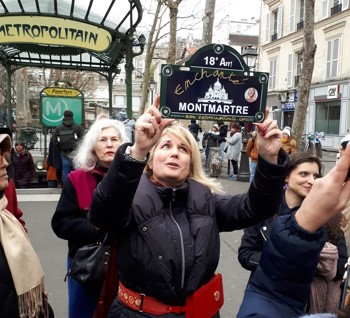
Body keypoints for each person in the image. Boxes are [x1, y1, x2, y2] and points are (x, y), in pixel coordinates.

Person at [88, 96, 289, 317]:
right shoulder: (129, 196)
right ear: (152, 158)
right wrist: (137, 150)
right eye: (166, 146)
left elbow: (258, 206)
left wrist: (269, 159)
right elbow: (102, 215)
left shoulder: (205, 199)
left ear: (190, 162)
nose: (175, 152)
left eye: (183, 149)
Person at [237, 151, 349, 317]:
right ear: (287, 177)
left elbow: (342, 263)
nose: (311, 180)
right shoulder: (265, 211)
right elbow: (246, 254)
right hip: (268, 296)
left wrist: (318, 263)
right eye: (304, 174)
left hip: (312, 302)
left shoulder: (326, 216)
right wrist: (283, 260)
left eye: (316, 175)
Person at [51, 118, 128, 318]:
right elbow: (61, 223)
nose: (109, 144)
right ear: (93, 147)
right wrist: (96, 229)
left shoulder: (134, 178)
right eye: (103, 140)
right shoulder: (77, 179)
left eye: (114, 139)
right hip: (87, 266)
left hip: (125, 265)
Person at [0, 133, 53, 317]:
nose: (5, 163)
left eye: (3, 154)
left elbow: (17, 216)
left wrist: (20, 235)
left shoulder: (6, 191)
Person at [54, 110, 84, 184]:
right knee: (76, 169)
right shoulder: (77, 126)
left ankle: (66, 187)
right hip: (75, 152)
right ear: (72, 116)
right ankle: (76, 186)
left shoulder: (59, 127)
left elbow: (55, 140)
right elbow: (83, 139)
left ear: (64, 116)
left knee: (65, 170)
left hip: (63, 152)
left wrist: (60, 148)